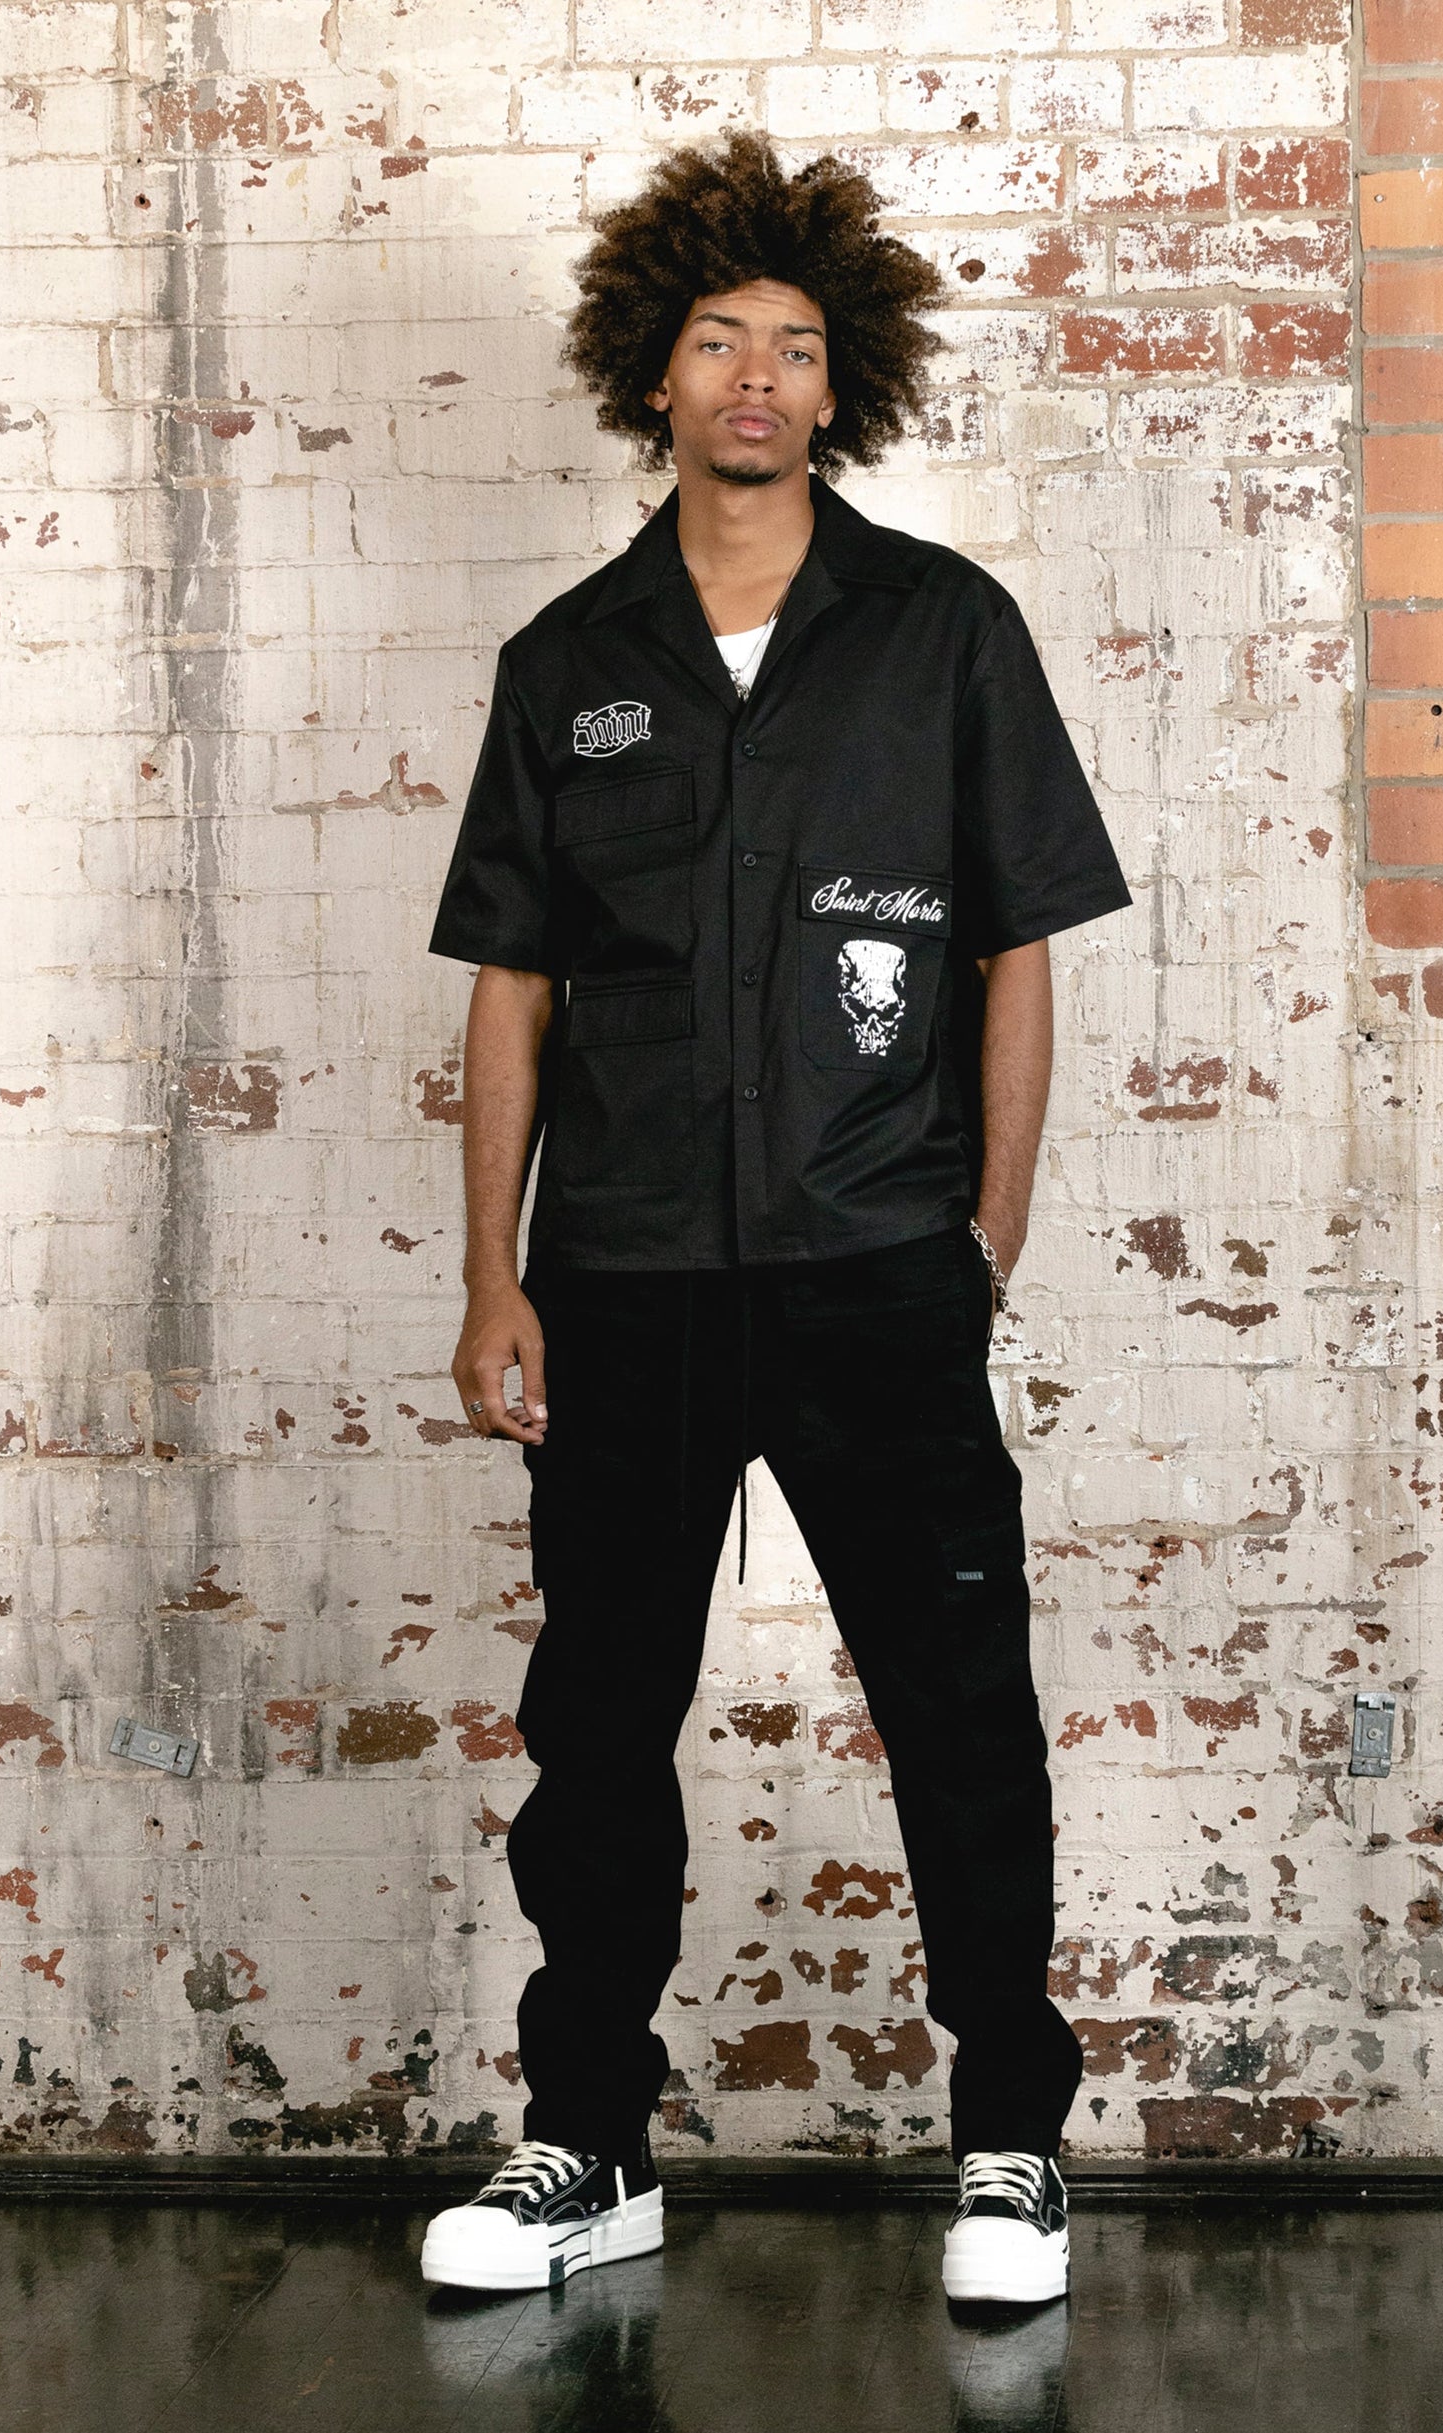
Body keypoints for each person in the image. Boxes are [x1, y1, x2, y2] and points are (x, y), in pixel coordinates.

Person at [418, 129, 1131, 2310]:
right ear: (654, 372)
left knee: (960, 1707)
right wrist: (493, 1273)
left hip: (873, 1270)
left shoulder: (943, 632)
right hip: (623, 1280)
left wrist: (984, 1230)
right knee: (596, 1730)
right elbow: (512, 986)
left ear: (843, 382)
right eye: (718, 340)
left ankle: (1009, 2141)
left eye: (794, 345)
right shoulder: (567, 660)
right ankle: (586, 2142)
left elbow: (1015, 946)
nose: (755, 377)